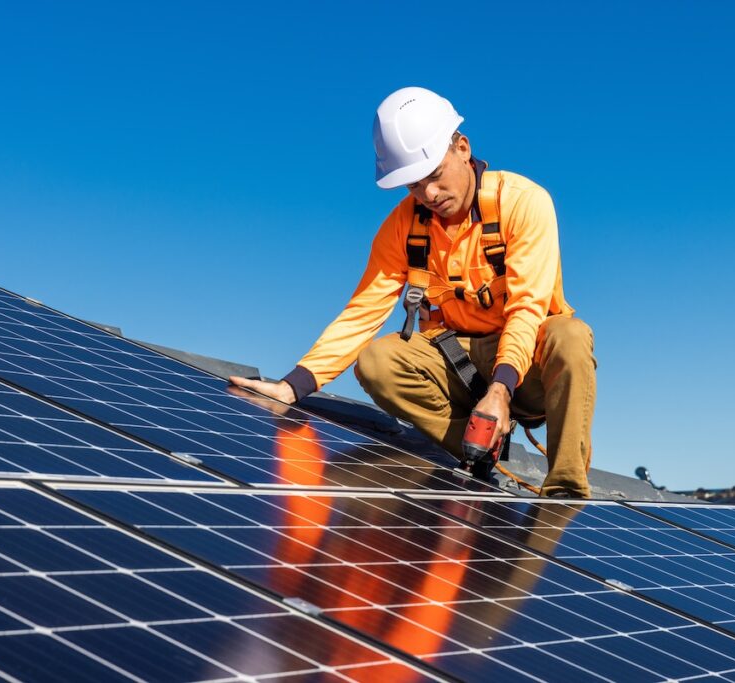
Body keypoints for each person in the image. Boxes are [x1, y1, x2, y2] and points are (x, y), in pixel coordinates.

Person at [230, 86, 596, 498]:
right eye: (413, 186)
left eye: (435, 176)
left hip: (527, 372)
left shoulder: (524, 203)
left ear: (462, 147)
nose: (429, 195)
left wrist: (501, 390)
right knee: (377, 360)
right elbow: (365, 309)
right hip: (455, 366)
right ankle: (477, 449)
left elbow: (528, 308)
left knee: (570, 335)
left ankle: (564, 489)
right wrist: (292, 386)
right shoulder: (403, 227)